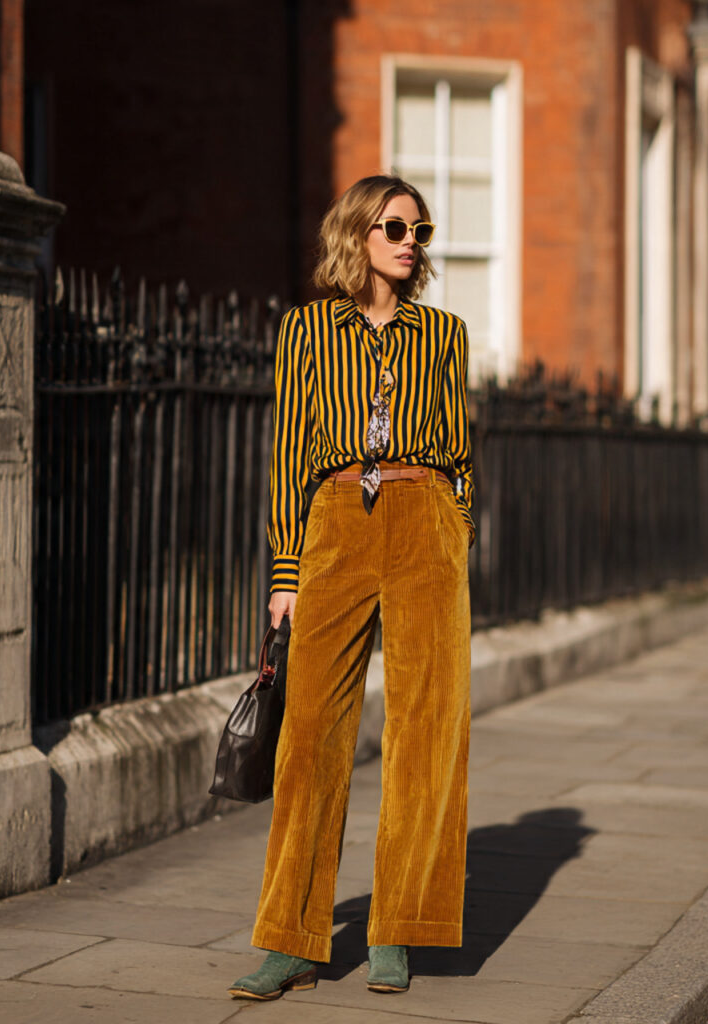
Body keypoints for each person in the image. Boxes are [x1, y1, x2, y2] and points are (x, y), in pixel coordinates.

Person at [228, 174, 473, 1000]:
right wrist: (287, 571)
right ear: (357, 234)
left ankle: (398, 929)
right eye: (396, 226)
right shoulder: (304, 331)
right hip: (336, 518)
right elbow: (289, 453)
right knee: (309, 737)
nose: (412, 240)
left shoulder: (444, 334)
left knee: (427, 730)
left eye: (421, 229)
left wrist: (455, 524)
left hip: (424, 516)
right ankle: (292, 938)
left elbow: (463, 448)